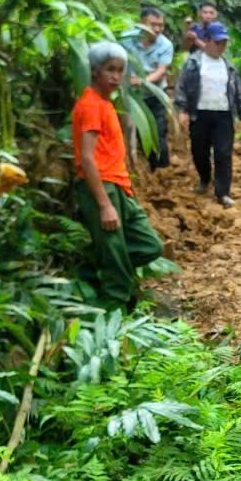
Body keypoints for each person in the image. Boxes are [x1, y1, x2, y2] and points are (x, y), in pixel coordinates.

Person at [72, 42, 164, 307]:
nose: (115, 76)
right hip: (102, 187)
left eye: (120, 71)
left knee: (150, 246)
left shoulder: (104, 104)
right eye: (109, 70)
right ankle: (113, 311)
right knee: (115, 267)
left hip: (118, 185)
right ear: (95, 71)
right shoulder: (91, 105)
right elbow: (87, 158)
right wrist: (104, 204)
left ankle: (100, 266)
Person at [174, 22, 241, 208]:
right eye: (218, 42)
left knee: (223, 154)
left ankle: (223, 192)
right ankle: (204, 179)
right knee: (199, 152)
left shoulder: (228, 66)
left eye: (224, 43)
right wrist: (183, 110)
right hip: (200, 115)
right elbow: (182, 87)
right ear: (207, 40)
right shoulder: (194, 63)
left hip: (223, 116)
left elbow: (238, 93)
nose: (221, 46)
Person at [120, 6, 174, 170]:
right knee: (137, 133)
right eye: (153, 25)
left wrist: (142, 81)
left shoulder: (165, 44)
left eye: (161, 25)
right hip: (131, 97)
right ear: (141, 23)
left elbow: (161, 70)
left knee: (158, 132)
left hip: (155, 95)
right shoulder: (125, 40)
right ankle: (146, 169)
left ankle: (162, 170)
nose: (157, 29)